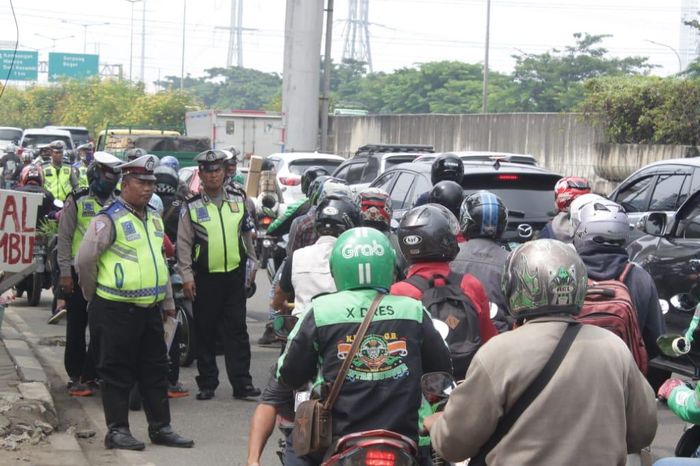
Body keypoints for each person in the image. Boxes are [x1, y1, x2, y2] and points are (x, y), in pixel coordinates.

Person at [425, 239, 657, 465]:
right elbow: (642, 431)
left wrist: (436, 425)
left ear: (516, 286)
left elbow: (454, 445)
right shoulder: (614, 347)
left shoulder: (498, 352)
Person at [278, 227, 453, 461]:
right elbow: (442, 370)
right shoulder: (413, 310)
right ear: (391, 266)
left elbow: (289, 374)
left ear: (335, 268)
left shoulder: (319, 312)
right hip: (406, 437)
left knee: (295, 449)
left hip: (337, 439)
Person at [75, 154, 193, 451]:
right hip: (115, 309)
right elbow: (85, 259)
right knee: (116, 372)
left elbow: (160, 262)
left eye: (151, 183)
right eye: (141, 183)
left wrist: (166, 301)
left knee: (155, 370)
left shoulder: (153, 218)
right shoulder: (108, 217)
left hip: (149, 310)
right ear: (125, 184)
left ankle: (161, 428)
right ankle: (117, 431)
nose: (148, 189)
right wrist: (95, 296)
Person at [177, 149, 260, 401]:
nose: (213, 176)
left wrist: (253, 264)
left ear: (225, 172)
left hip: (234, 276)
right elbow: (183, 245)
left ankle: (242, 383)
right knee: (205, 331)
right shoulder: (191, 206)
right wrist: (187, 277)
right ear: (200, 174)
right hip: (205, 277)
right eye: (208, 171)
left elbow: (246, 235)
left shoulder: (238, 198)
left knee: (237, 330)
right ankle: (207, 383)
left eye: (217, 170)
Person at [391, 203, 498, 379]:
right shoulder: (470, 284)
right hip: (468, 383)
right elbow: (490, 342)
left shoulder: (398, 293)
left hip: (423, 391)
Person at [572, 199, 667, 389]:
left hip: (571, 381)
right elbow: (656, 339)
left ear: (582, 232)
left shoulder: (565, 272)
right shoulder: (640, 277)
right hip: (622, 383)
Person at [54, 152, 122, 397]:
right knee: (77, 325)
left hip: (105, 274)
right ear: (95, 172)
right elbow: (64, 238)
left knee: (101, 326)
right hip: (76, 272)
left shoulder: (118, 202)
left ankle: (92, 374)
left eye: (115, 174)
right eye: (107, 173)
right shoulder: (78, 199)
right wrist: (64, 273)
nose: (111, 179)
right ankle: (75, 375)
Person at [272, 195, 359, 316]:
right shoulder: (357, 258)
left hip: (302, 329)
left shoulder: (296, 257)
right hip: (343, 327)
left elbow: (278, 297)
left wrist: (280, 305)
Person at [450, 191, 511, 332]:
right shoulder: (512, 259)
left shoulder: (451, 254)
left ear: (465, 221)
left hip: (455, 334)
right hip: (499, 338)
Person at [538, 176, 591, 242]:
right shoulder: (597, 221)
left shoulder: (552, 228)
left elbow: (540, 249)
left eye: (556, 196)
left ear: (562, 199)